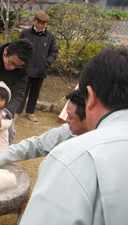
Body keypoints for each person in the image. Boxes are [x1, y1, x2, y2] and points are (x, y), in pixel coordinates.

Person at [18, 47, 128, 224]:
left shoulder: (74, 158)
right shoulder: (68, 137)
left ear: (90, 98)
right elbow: (37, 143)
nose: (67, 121)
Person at [0, 89, 87, 171]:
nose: (66, 120)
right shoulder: (67, 131)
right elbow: (36, 144)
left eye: (71, 117)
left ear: (88, 116)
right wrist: (1, 158)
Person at [16, 12, 58, 122]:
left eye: (43, 24)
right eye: (38, 22)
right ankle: (17, 112)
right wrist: (21, 62)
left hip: (40, 70)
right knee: (22, 91)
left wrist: (47, 63)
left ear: (46, 24)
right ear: (34, 21)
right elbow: (18, 48)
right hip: (25, 69)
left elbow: (54, 52)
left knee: (35, 93)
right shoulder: (25, 33)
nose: (40, 25)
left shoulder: (50, 37)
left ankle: (30, 112)